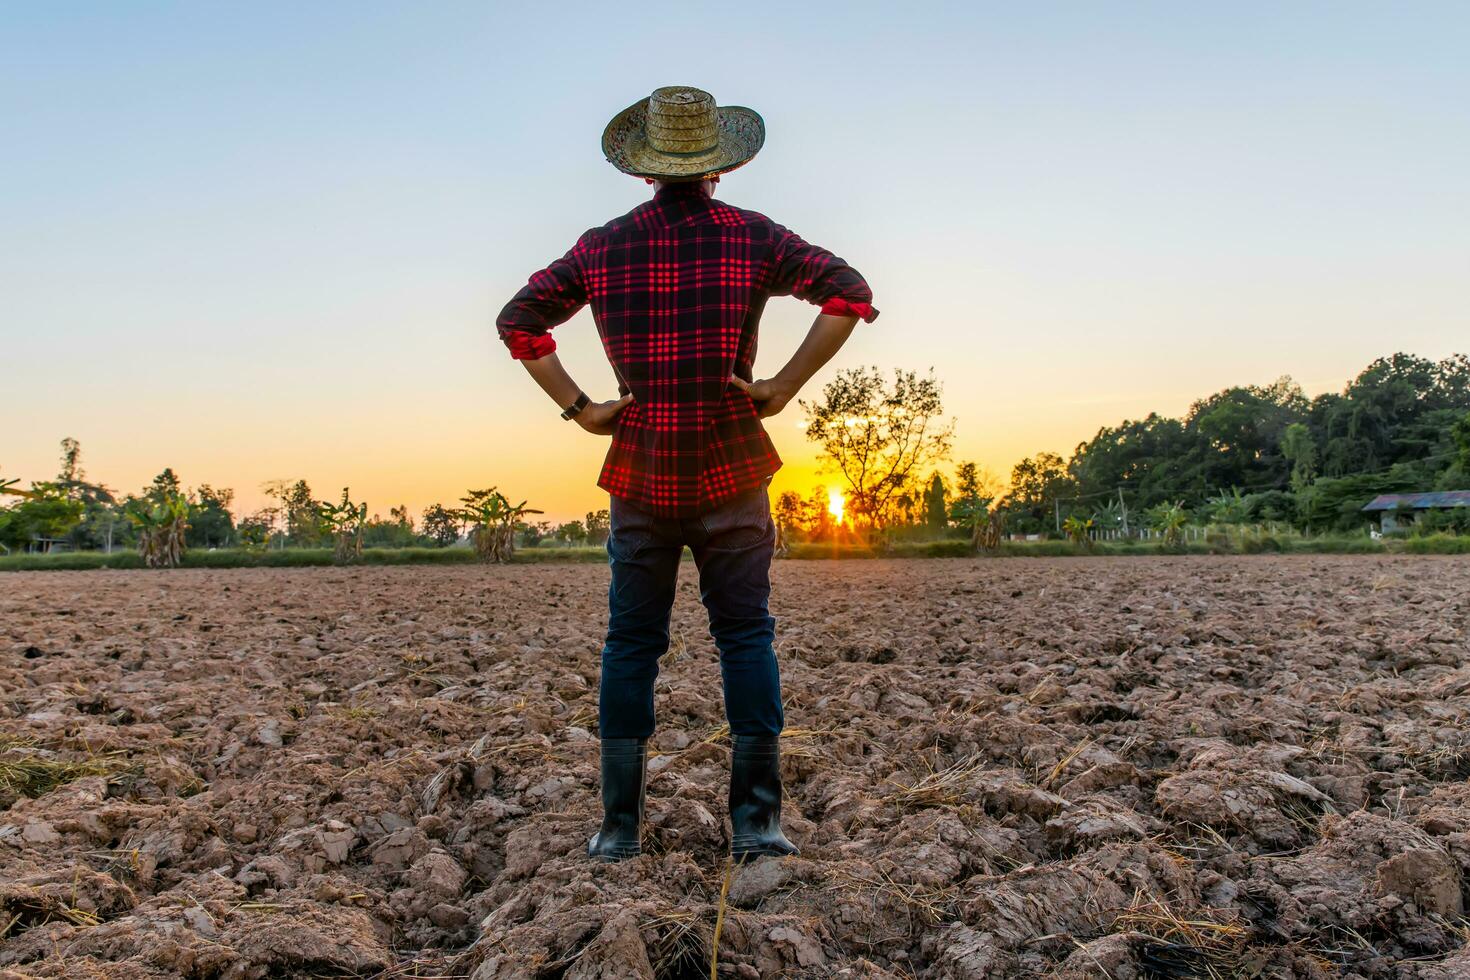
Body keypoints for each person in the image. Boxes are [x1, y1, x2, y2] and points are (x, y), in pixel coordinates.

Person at [496, 85, 878, 863]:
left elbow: (519, 320)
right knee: (746, 638)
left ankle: (618, 830)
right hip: (732, 467)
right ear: (719, 167)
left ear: (644, 173)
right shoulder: (752, 237)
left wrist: (582, 408)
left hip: (640, 473)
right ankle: (758, 825)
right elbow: (849, 295)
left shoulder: (602, 248)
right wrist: (782, 387)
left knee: (632, 644)